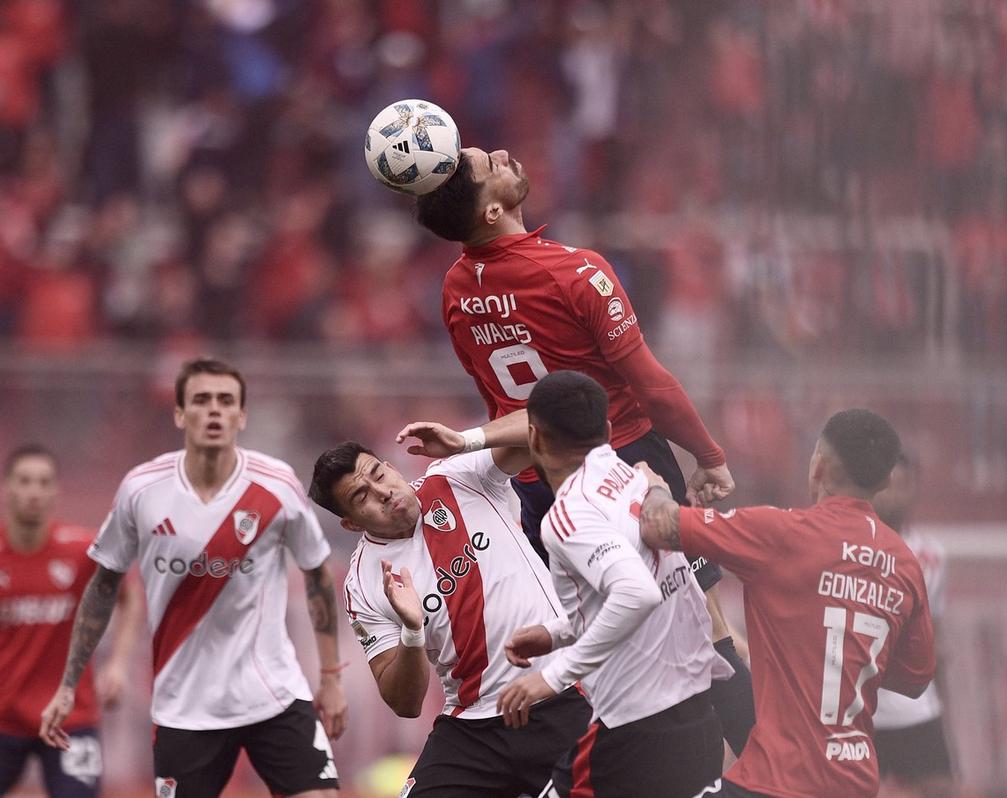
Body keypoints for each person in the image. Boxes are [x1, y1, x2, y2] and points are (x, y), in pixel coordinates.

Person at [415, 146, 753, 754]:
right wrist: (709, 454)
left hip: (543, 486)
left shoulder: (455, 289)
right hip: (624, 462)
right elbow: (651, 383)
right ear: (491, 209)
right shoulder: (574, 271)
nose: (502, 154)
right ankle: (767, 776)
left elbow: (501, 404)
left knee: (613, 645)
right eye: (487, 163)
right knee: (704, 629)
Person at [38, 358, 346, 798]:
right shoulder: (141, 489)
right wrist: (69, 685)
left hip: (274, 694)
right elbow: (104, 585)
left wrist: (331, 678)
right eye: (201, 401)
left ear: (242, 416)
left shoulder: (277, 485)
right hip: (184, 707)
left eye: (226, 402)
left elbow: (317, 574)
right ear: (180, 413)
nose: (214, 411)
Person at [639, 408, 937, 798]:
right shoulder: (904, 563)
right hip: (856, 783)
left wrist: (653, 484)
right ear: (883, 481)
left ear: (818, 466)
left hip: (775, 783)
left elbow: (658, 525)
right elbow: (916, 680)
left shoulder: (782, 534)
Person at [307, 410, 591, 797]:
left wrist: (468, 439)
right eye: (362, 497)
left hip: (556, 693)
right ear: (352, 524)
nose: (383, 492)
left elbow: (554, 421)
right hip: (473, 727)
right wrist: (411, 631)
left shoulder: (458, 477)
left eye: (378, 474)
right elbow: (404, 703)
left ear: (391, 466)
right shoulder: (362, 582)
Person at [497, 371, 727, 798]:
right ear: (605, 430)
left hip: (637, 729)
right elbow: (647, 584)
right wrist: (557, 633)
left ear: (534, 438)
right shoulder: (638, 479)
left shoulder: (567, 515)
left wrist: (553, 677)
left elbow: (636, 592)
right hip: (695, 712)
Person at [0, 444, 141, 798]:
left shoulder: (84, 550)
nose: (35, 492)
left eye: (44, 482)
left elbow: (130, 594)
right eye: (25, 481)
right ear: (6, 489)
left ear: (56, 491)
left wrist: (119, 664)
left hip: (72, 718)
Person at [872, 454, 956, 798]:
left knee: (942, 789)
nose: (895, 494)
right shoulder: (847, 549)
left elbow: (934, 636)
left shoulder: (932, 556)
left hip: (917, 708)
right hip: (861, 713)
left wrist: (944, 701)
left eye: (903, 485)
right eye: (887, 485)